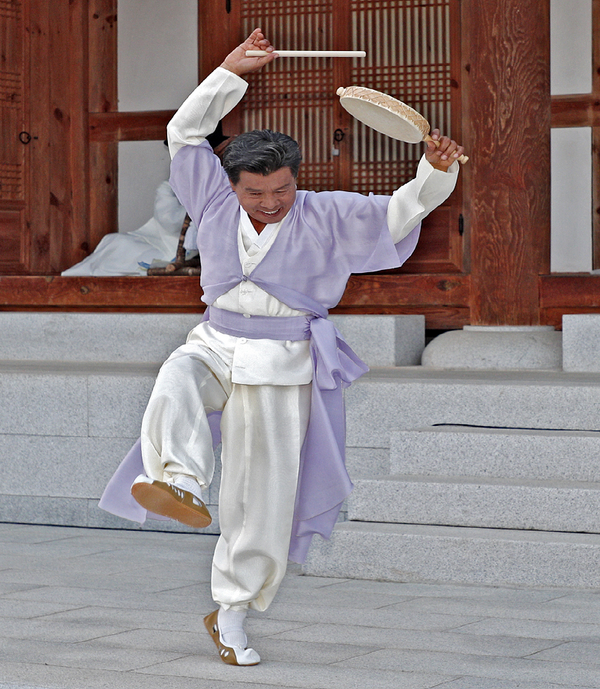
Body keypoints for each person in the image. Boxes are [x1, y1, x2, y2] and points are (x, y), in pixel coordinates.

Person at [100, 28, 465, 666]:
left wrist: (433, 171)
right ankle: (178, 480)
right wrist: (230, 72)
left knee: (261, 495)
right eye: (255, 193)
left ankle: (232, 611)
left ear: (297, 180)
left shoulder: (326, 213)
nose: (270, 204)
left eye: (282, 191)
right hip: (215, 339)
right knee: (177, 376)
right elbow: (185, 133)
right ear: (230, 184)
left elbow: (398, 213)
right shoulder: (209, 197)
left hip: (283, 360)